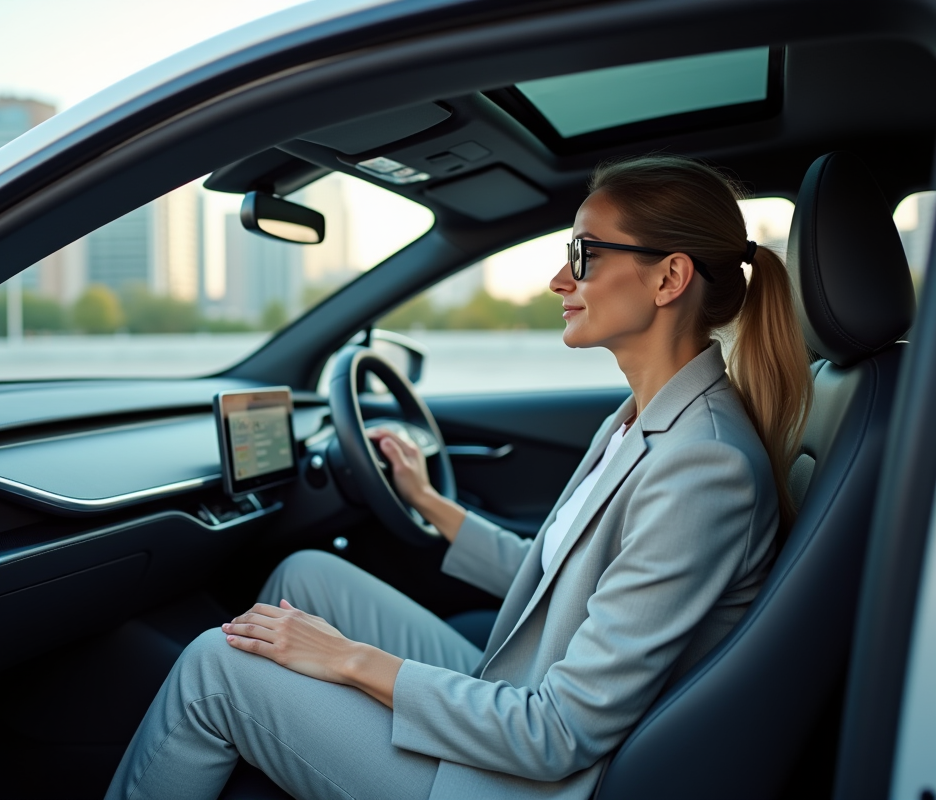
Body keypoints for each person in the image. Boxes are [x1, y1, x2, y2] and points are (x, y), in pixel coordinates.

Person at [103, 155, 813, 800]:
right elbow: (559, 580)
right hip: (514, 691)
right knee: (305, 578)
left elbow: (556, 733)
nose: (559, 280)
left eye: (584, 255)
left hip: (529, 776)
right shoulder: (642, 417)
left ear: (669, 277)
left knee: (213, 669)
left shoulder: (703, 464)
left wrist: (348, 662)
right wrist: (429, 502)